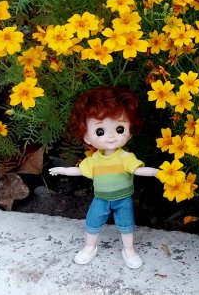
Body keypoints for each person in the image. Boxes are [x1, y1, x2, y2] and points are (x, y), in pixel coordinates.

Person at [49, 87, 159, 269]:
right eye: (100, 131)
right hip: (100, 198)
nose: (111, 136)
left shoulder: (125, 158)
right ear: (86, 136)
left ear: (130, 130)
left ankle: (129, 250)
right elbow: (80, 171)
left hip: (123, 199)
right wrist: (63, 170)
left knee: (126, 225)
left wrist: (155, 172)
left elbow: (138, 170)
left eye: (119, 129)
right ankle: (89, 247)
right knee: (92, 222)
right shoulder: (94, 160)